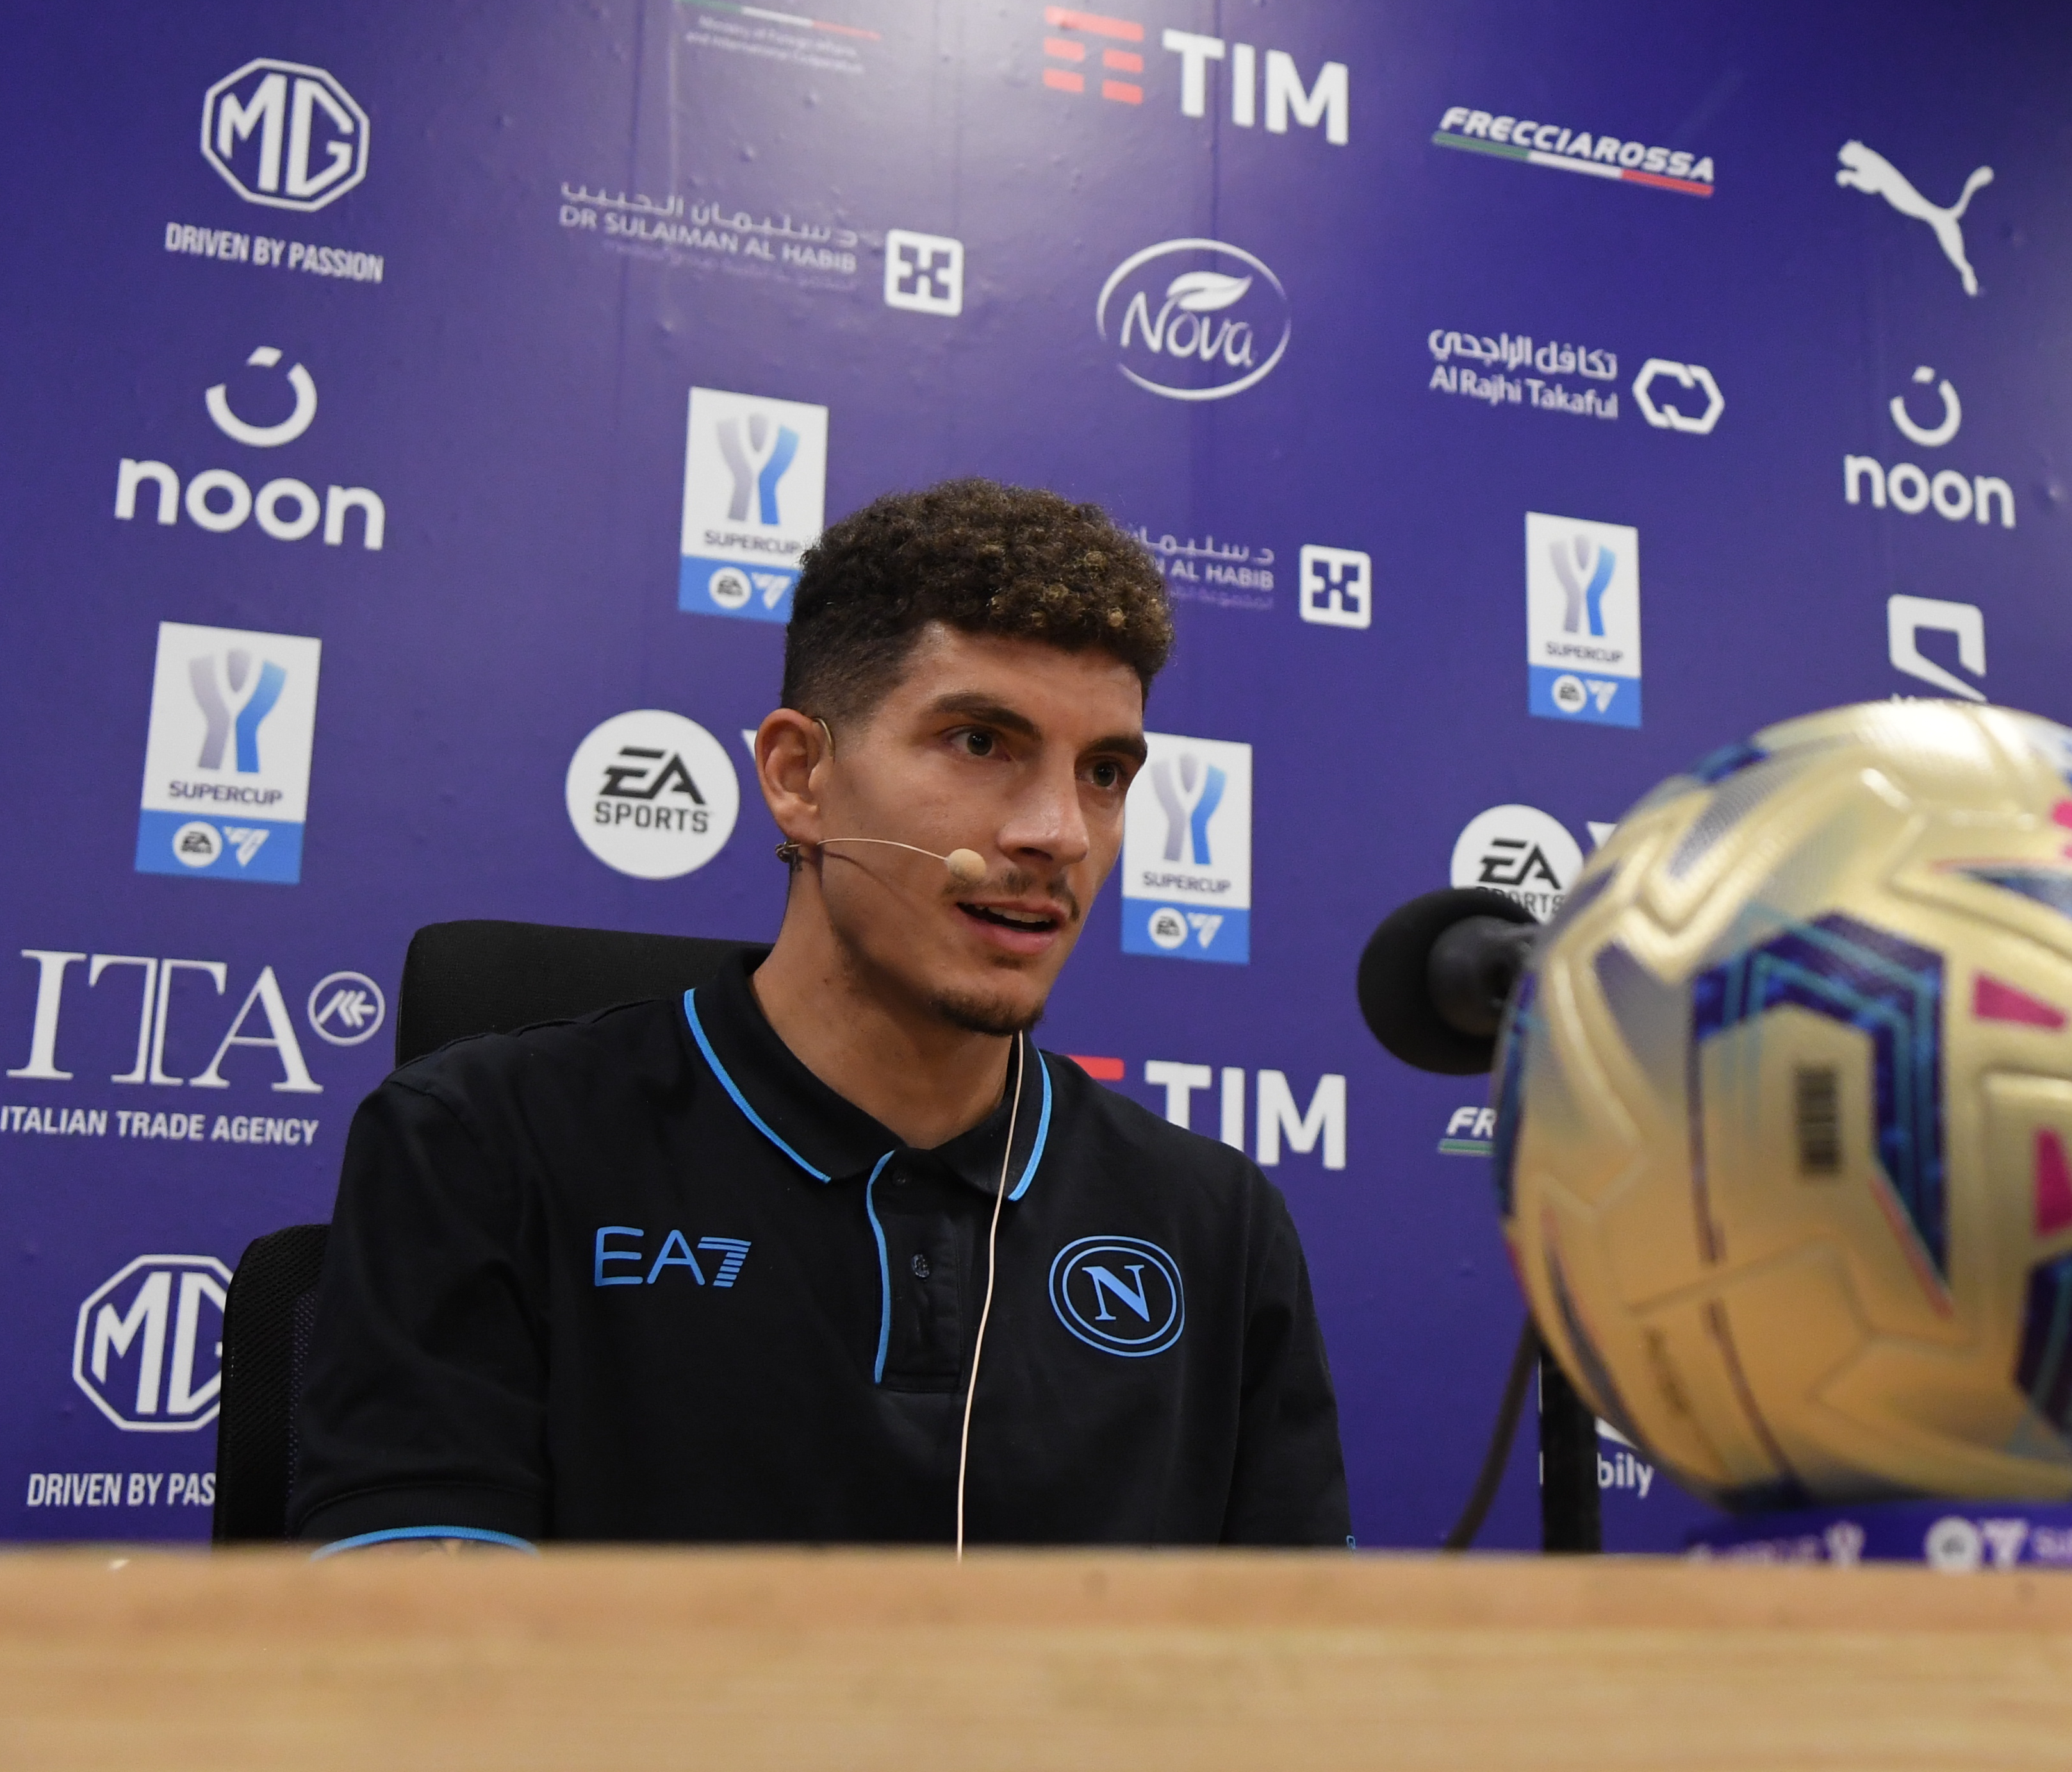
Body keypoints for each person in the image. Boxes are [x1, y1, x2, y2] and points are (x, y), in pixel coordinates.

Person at [288, 482, 1349, 1551]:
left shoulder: (1215, 1223)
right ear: (800, 777)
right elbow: (419, 1630)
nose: (1059, 833)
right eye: (981, 743)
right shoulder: (481, 1144)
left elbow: (1301, 1644)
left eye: (1105, 772)